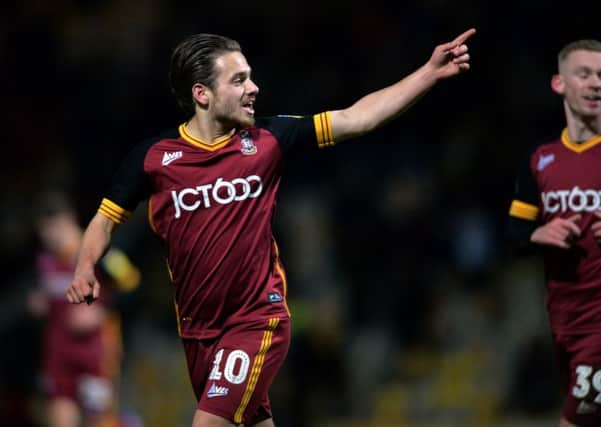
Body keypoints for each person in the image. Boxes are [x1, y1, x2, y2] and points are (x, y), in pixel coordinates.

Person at [66, 28, 476, 427]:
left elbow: (357, 118)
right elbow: (105, 219)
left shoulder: (268, 139)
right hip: (197, 333)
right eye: (239, 79)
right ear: (201, 93)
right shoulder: (153, 159)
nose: (254, 87)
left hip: (256, 319)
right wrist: (85, 266)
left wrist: (429, 73)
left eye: (251, 76)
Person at [507, 39, 601, 427]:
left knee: (576, 420)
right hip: (565, 319)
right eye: (585, 74)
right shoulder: (539, 159)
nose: (596, 83)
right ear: (559, 84)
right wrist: (537, 235)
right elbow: (514, 234)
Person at [30, 189, 141, 427]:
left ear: (70, 219)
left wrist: (101, 311)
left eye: (56, 227)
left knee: (100, 420)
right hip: (59, 355)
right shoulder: (45, 261)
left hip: (95, 353)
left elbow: (132, 284)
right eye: (45, 231)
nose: (51, 236)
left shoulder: (97, 252)